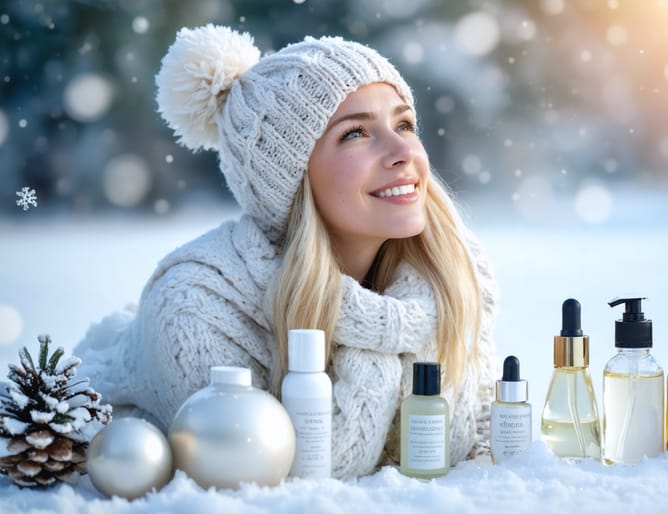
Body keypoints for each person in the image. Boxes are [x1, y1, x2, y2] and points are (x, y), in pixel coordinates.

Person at [74, 24, 499, 480]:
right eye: (355, 133)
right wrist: (374, 338)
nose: (403, 152)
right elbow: (262, 475)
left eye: (404, 124)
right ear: (293, 183)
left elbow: (471, 442)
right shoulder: (195, 311)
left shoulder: (449, 277)